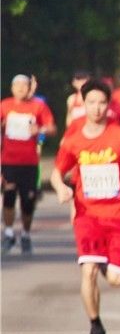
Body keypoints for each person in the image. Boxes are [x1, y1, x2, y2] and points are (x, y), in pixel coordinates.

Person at [50, 80, 120, 334]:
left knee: (115, 280)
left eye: (102, 102)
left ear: (109, 105)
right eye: (91, 102)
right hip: (87, 215)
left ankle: (106, 262)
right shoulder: (74, 140)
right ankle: (95, 324)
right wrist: (61, 189)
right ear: (83, 104)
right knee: (87, 269)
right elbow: (57, 173)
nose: (96, 108)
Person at [1, 74, 56, 253]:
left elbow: (52, 128)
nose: (21, 89)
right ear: (12, 88)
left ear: (29, 87)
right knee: (8, 197)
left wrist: (39, 129)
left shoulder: (38, 107)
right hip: (8, 160)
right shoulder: (5, 105)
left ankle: (25, 234)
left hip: (29, 161)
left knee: (27, 201)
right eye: (17, 85)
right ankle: (8, 234)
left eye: (24, 85)